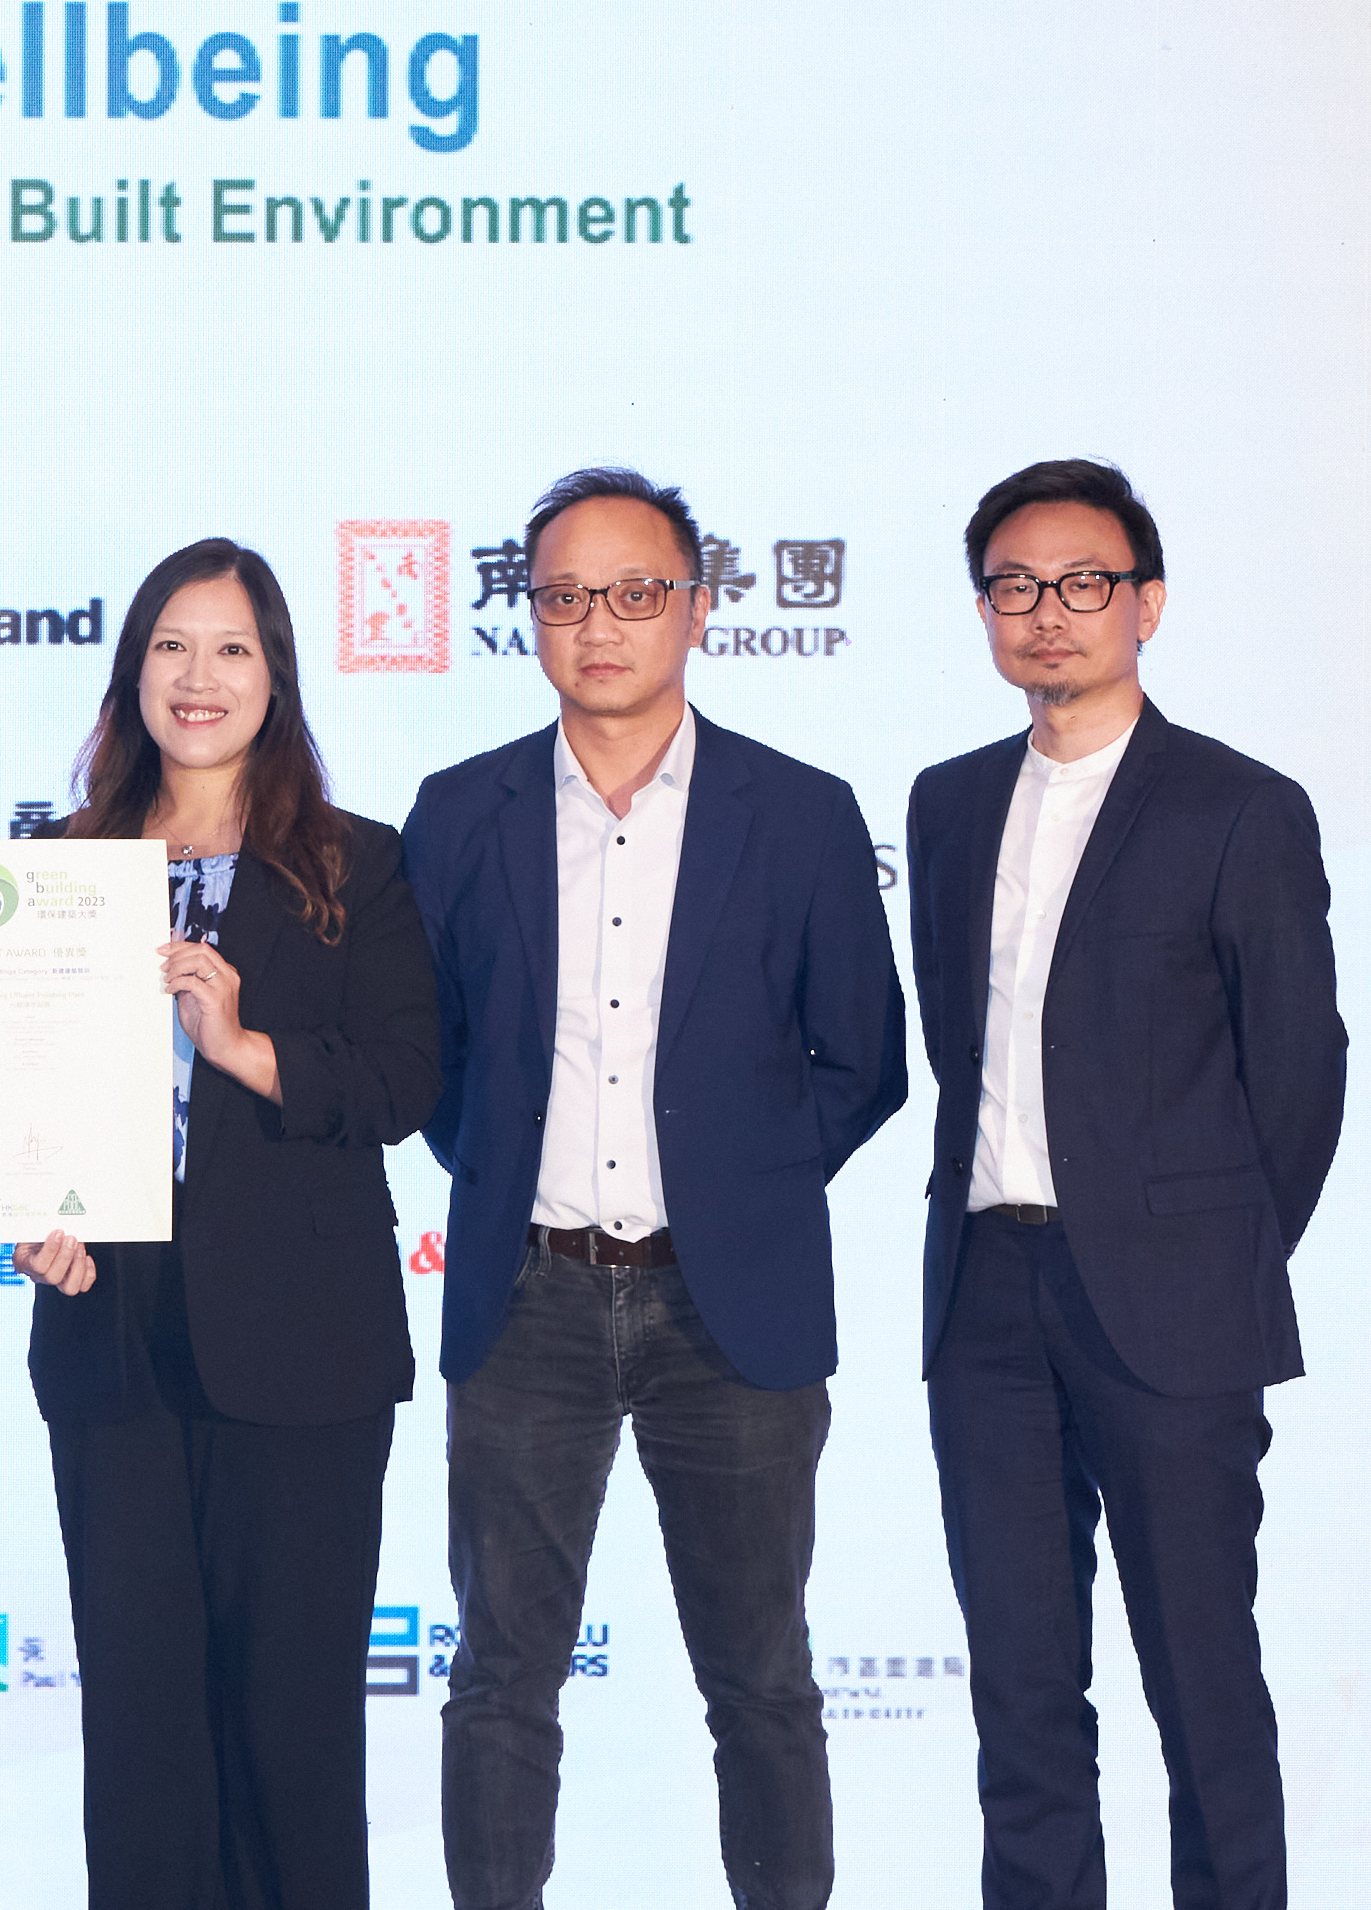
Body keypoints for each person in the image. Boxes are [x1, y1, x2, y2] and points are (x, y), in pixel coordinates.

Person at [401, 465, 907, 1910]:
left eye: (635, 593)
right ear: (530, 620)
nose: (600, 625)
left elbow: (863, 1060)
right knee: (502, 1679)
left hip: (727, 1309)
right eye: (566, 597)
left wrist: (741, 1189)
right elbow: (427, 1058)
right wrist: (508, 1171)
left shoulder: (800, 813)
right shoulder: (460, 812)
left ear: (696, 609)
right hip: (527, 1299)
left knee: (763, 1683)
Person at [909, 459, 1345, 1910]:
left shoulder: (1239, 808)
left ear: (1146, 604)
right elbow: (957, 1043)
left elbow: (1299, 1075)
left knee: (1203, 1684)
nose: (1050, 611)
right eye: (1015, 586)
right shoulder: (950, 803)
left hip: (1173, 1313)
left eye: (1085, 582)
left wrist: (1208, 1254)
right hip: (986, 1300)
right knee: (1022, 1696)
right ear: (985, 610)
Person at [25, 539, 439, 1910]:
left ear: (276, 679)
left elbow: (406, 1082)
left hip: (302, 1348)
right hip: (110, 1337)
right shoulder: (58, 866)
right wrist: (28, 1211)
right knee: (139, 1725)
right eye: (171, 646)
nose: (198, 678)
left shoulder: (355, 864)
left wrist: (248, 1049)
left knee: (292, 1727)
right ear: (131, 671)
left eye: (231, 649)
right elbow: (16, 1100)